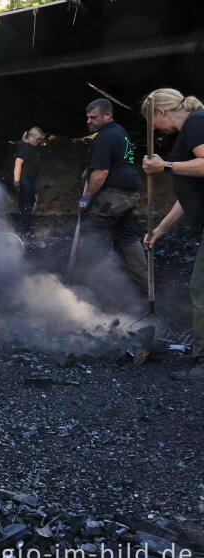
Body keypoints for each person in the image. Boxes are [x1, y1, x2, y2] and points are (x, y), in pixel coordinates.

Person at [141, 88, 204, 379]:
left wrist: (164, 165)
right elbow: (187, 194)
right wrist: (161, 229)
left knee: (200, 290)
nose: (155, 129)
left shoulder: (195, 123)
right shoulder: (191, 129)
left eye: (153, 122)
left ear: (162, 112)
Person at [74, 98, 148, 294]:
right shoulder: (120, 131)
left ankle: (87, 289)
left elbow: (101, 174)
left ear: (108, 115)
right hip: (128, 194)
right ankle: (145, 285)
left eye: (93, 117)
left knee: (92, 234)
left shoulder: (104, 137)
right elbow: (126, 159)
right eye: (87, 118)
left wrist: (87, 197)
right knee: (126, 236)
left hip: (114, 195)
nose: (89, 121)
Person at [13, 127, 45, 228]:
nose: (39, 141)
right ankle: (24, 225)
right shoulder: (27, 147)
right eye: (38, 139)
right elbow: (18, 163)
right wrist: (16, 181)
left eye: (41, 139)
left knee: (25, 201)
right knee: (28, 201)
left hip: (28, 179)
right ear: (31, 137)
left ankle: (23, 222)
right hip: (24, 180)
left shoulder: (29, 145)